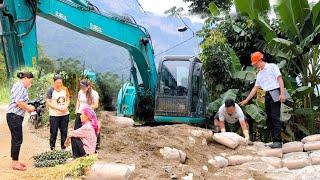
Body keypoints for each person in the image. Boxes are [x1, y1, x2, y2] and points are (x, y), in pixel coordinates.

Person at [240, 51, 286, 148]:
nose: (255, 66)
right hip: (267, 95)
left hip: (275, 93)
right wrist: (246, 100)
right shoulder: (260, 74)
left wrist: (282, 93)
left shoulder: (272, 67)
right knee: (269, 119)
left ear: (261, 60)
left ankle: (278, 141)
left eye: (256, 63)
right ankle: (274, 140)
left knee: (275, 117)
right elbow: (255, 88)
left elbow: (280, 79)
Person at [7, 72, 35, 171]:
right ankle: (15, 163)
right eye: (30, 81)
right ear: (26, 78)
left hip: (15, 116)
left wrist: (27, 107)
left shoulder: (22, 87)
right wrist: (29, 108)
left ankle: (15, 160)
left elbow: (21, 100)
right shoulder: (19, 86)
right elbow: (19, 102)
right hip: (14, 116)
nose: (30, 83)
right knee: (17, 139)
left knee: (16, 138)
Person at [46, 74, 70, 150]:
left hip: (65, 114)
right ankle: (52, 148)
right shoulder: (50, 90)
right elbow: (48, 102)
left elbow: (68, 99)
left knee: (64, 132)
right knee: (53, 132)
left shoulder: (65, 89)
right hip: (54, 115)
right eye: (57, 82)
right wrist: (57, 108)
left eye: (60, 82)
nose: (59, 84)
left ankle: (63, 148)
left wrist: (66, 106)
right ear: (54, 82)